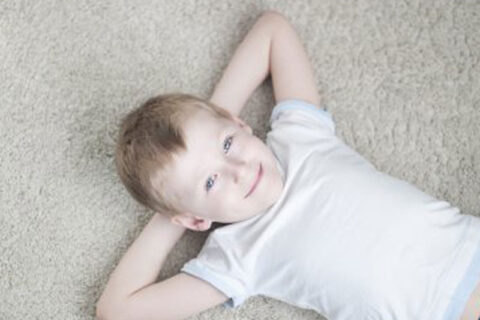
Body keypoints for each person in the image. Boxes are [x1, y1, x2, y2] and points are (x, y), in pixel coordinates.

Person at [96, 10, 480, 320]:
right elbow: (117, 310)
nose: (240, 169)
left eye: (229, 144)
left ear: (240, 123)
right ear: (196, 221)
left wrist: (216, 117)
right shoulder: (234, 257)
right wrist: (174, 216)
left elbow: (272, 30)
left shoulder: (298, 137)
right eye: (211, 182)